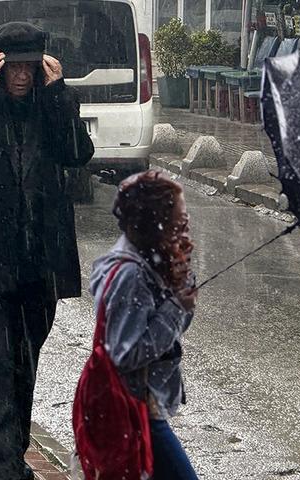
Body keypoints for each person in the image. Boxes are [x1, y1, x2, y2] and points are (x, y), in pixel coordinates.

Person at [0, 21, 94, 480]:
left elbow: (77, 153)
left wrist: (57, 94)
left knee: (24, 366)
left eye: (30, 68)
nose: (22, 77)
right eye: (14, 68)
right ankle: (4, 470)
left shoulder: (54, 104)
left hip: (40, 266)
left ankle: (14, 457)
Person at [89, 170, 199, 480]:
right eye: (179, 222)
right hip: (134, 406)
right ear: (156, 225)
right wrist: (176, 307)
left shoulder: (151, 258)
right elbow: (127, 352)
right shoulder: (130, 274)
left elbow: (173, 331)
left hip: (144, 405)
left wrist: (181, 283)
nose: (185, 228)